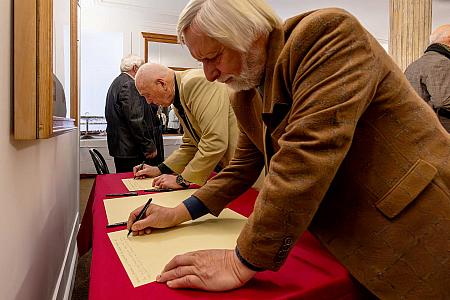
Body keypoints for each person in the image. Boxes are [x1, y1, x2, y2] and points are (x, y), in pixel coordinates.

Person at [127, 1, 450, 298]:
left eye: (214, 57)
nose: (209, 74)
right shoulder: (245, 94)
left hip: (418, 222)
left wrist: (241, 262)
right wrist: (178, 213)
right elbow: (241, 167)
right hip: (344, 238)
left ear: (248, 33)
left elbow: (307, 152)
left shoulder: (326, 33)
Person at [133, 63, 238, 190]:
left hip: (244, 170)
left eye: (147, 95)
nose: (148, 101)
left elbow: (215, 140)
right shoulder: (179, 99)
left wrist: (182, 180)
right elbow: (191, 145)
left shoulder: (195, 83)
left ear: (162, 84)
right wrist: (159, 169)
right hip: (230, 170)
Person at [105, 54, 164, 173]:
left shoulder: (117, 82)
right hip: (132, 150)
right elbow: (136, 119)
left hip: (123, 148)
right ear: (135, 68)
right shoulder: (130, 84)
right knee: (135, 184)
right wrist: (149, 146)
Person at [405, 24, 450, 132]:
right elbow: (444, 101)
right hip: (440, 132)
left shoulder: (415, 64)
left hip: (418, 128)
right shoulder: (442, 62)